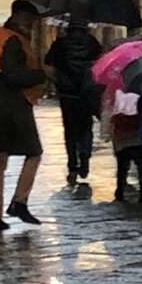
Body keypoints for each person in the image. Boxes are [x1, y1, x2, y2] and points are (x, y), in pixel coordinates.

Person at [0, 0, 47, 233]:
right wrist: (42, 74)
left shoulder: (2, 37)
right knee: (34, 153)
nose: (32, 25)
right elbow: (14, 76)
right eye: (30, 19)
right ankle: (19, 202)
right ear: (19, 16)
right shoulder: (12, 41)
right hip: (12, 109)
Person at [45, 19, 103, 186]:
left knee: (70, 130)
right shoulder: (92, 43)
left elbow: (48, 64)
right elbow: (100, 63)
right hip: (86, 92)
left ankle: (72, 166)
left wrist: (57, 81)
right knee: (86, 126)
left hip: (67, 93)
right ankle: (84, 157)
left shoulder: (60, 44)